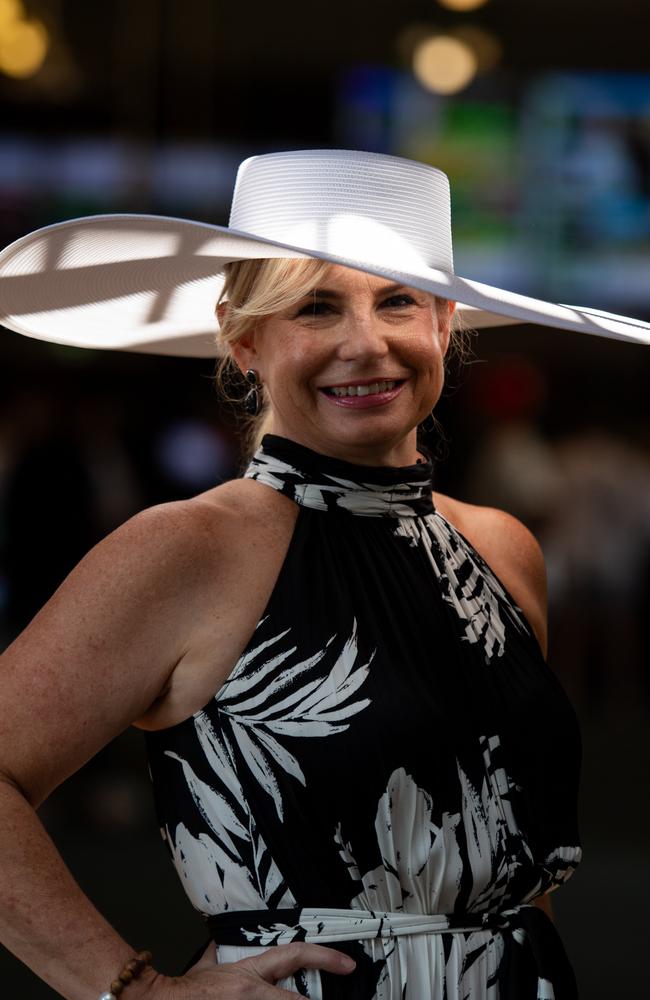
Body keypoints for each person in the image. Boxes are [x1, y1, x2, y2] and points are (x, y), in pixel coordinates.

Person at [0, 149, 648, 1000]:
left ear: (445, 324)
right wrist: (131, 989)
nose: (365, 343)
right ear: (243, 338)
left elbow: (512, 857)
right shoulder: (185, 549)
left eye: (398, 302)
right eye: (315, 307)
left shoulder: (502, 549)